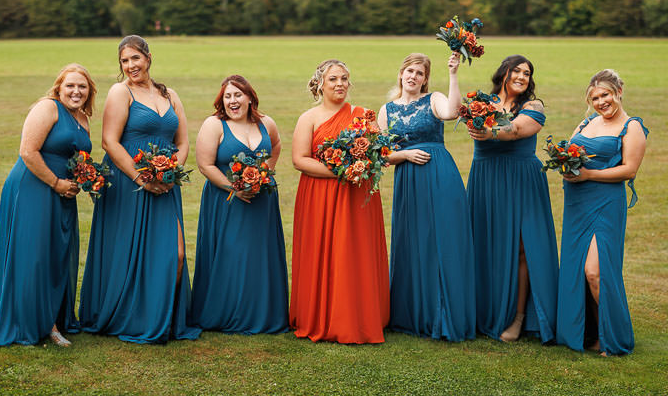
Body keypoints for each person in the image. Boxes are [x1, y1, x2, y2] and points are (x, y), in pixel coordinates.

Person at [78, 35, 200, 343]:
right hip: (127, 182)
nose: (131, 65)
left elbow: (183, 141)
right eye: (124, 61)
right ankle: (129, 316)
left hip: (165, 182)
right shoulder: (121, 92)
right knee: (128, 251)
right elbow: (109, 141)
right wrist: (141, 178)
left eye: (135, 58)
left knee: (175, 254)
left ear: (148, 57)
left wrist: (170, 173)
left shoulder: (170, 94)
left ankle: (163, 318)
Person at [0, 64, 95, 347]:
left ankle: (55, 318)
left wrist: (84, 179)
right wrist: (57, 183)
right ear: (59, 87)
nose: (76, 91)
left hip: (62, 193)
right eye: (70, 85)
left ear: (89, 92)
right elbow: (28, 151)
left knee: (58, 254)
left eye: (82, 87)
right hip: (33, 188)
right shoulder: (47, 108)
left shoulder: (83, 118)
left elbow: (77, 157)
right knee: (34, 255)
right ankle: (36, 323)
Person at [289, 59, 389, 344]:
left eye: (344, 78)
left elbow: (378, 153)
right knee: (322, 250)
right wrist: (342, 171)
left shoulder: (363, 115)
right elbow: (299, 160)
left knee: (354, 252)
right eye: (333, 79)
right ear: (321, 84)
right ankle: (321, 314)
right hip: (319, 196)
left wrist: (360, 167)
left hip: (356, 195)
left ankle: (358, 315)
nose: (340, 84)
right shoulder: (308, 118)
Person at [379, 52, 475, 341]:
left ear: (425, 79)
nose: (413, 77)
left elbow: (452, 113)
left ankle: (446, 314)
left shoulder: (433, 99)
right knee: (413, 240)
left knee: (443, 239)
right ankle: (413, 315)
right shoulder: (386, 110)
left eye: (419, 73)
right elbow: (381, 156)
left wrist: (454, 75)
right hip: (408, 180)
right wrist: (404, 154)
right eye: (409, 71)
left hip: (439, 174)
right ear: (401, 74)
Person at [466, 55, 559, 343]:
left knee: (522, 247)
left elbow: (517, 129)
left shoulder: (533, 106)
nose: (521, 76)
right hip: (485, 177)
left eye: (527, 73)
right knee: (484, 243)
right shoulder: (482, 103)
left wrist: (490, 131)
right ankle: (485, 312)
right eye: (516, 70)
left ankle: (519, 318)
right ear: (503, 72)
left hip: (521, 179)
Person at [556, 69, 648, 356]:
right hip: (577, 203)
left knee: (596, 271)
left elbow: (629, 170)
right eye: (595, 97)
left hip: (606, 203)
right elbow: (567, 152)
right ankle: (592, 335)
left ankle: (615, 338)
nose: (600, 102)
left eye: (605, 95)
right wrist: (565, 167)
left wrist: (587, 176)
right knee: (578, 271)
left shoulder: (631, 127)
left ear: (618, 92)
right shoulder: (586, 123)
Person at [191, 75, 289, 333]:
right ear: (222, 101)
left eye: (238, 95)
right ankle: (227, 312)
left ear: (249, 98)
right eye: (228, 96)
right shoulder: (214, 125)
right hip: (226, 201)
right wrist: (233, 188)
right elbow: (205, 164)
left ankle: (262, 313)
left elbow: (276, 146)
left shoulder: (266, 123)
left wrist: (264, 174)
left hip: (262, 201)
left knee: (260, 255)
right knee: (232, 254)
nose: (233, 101)